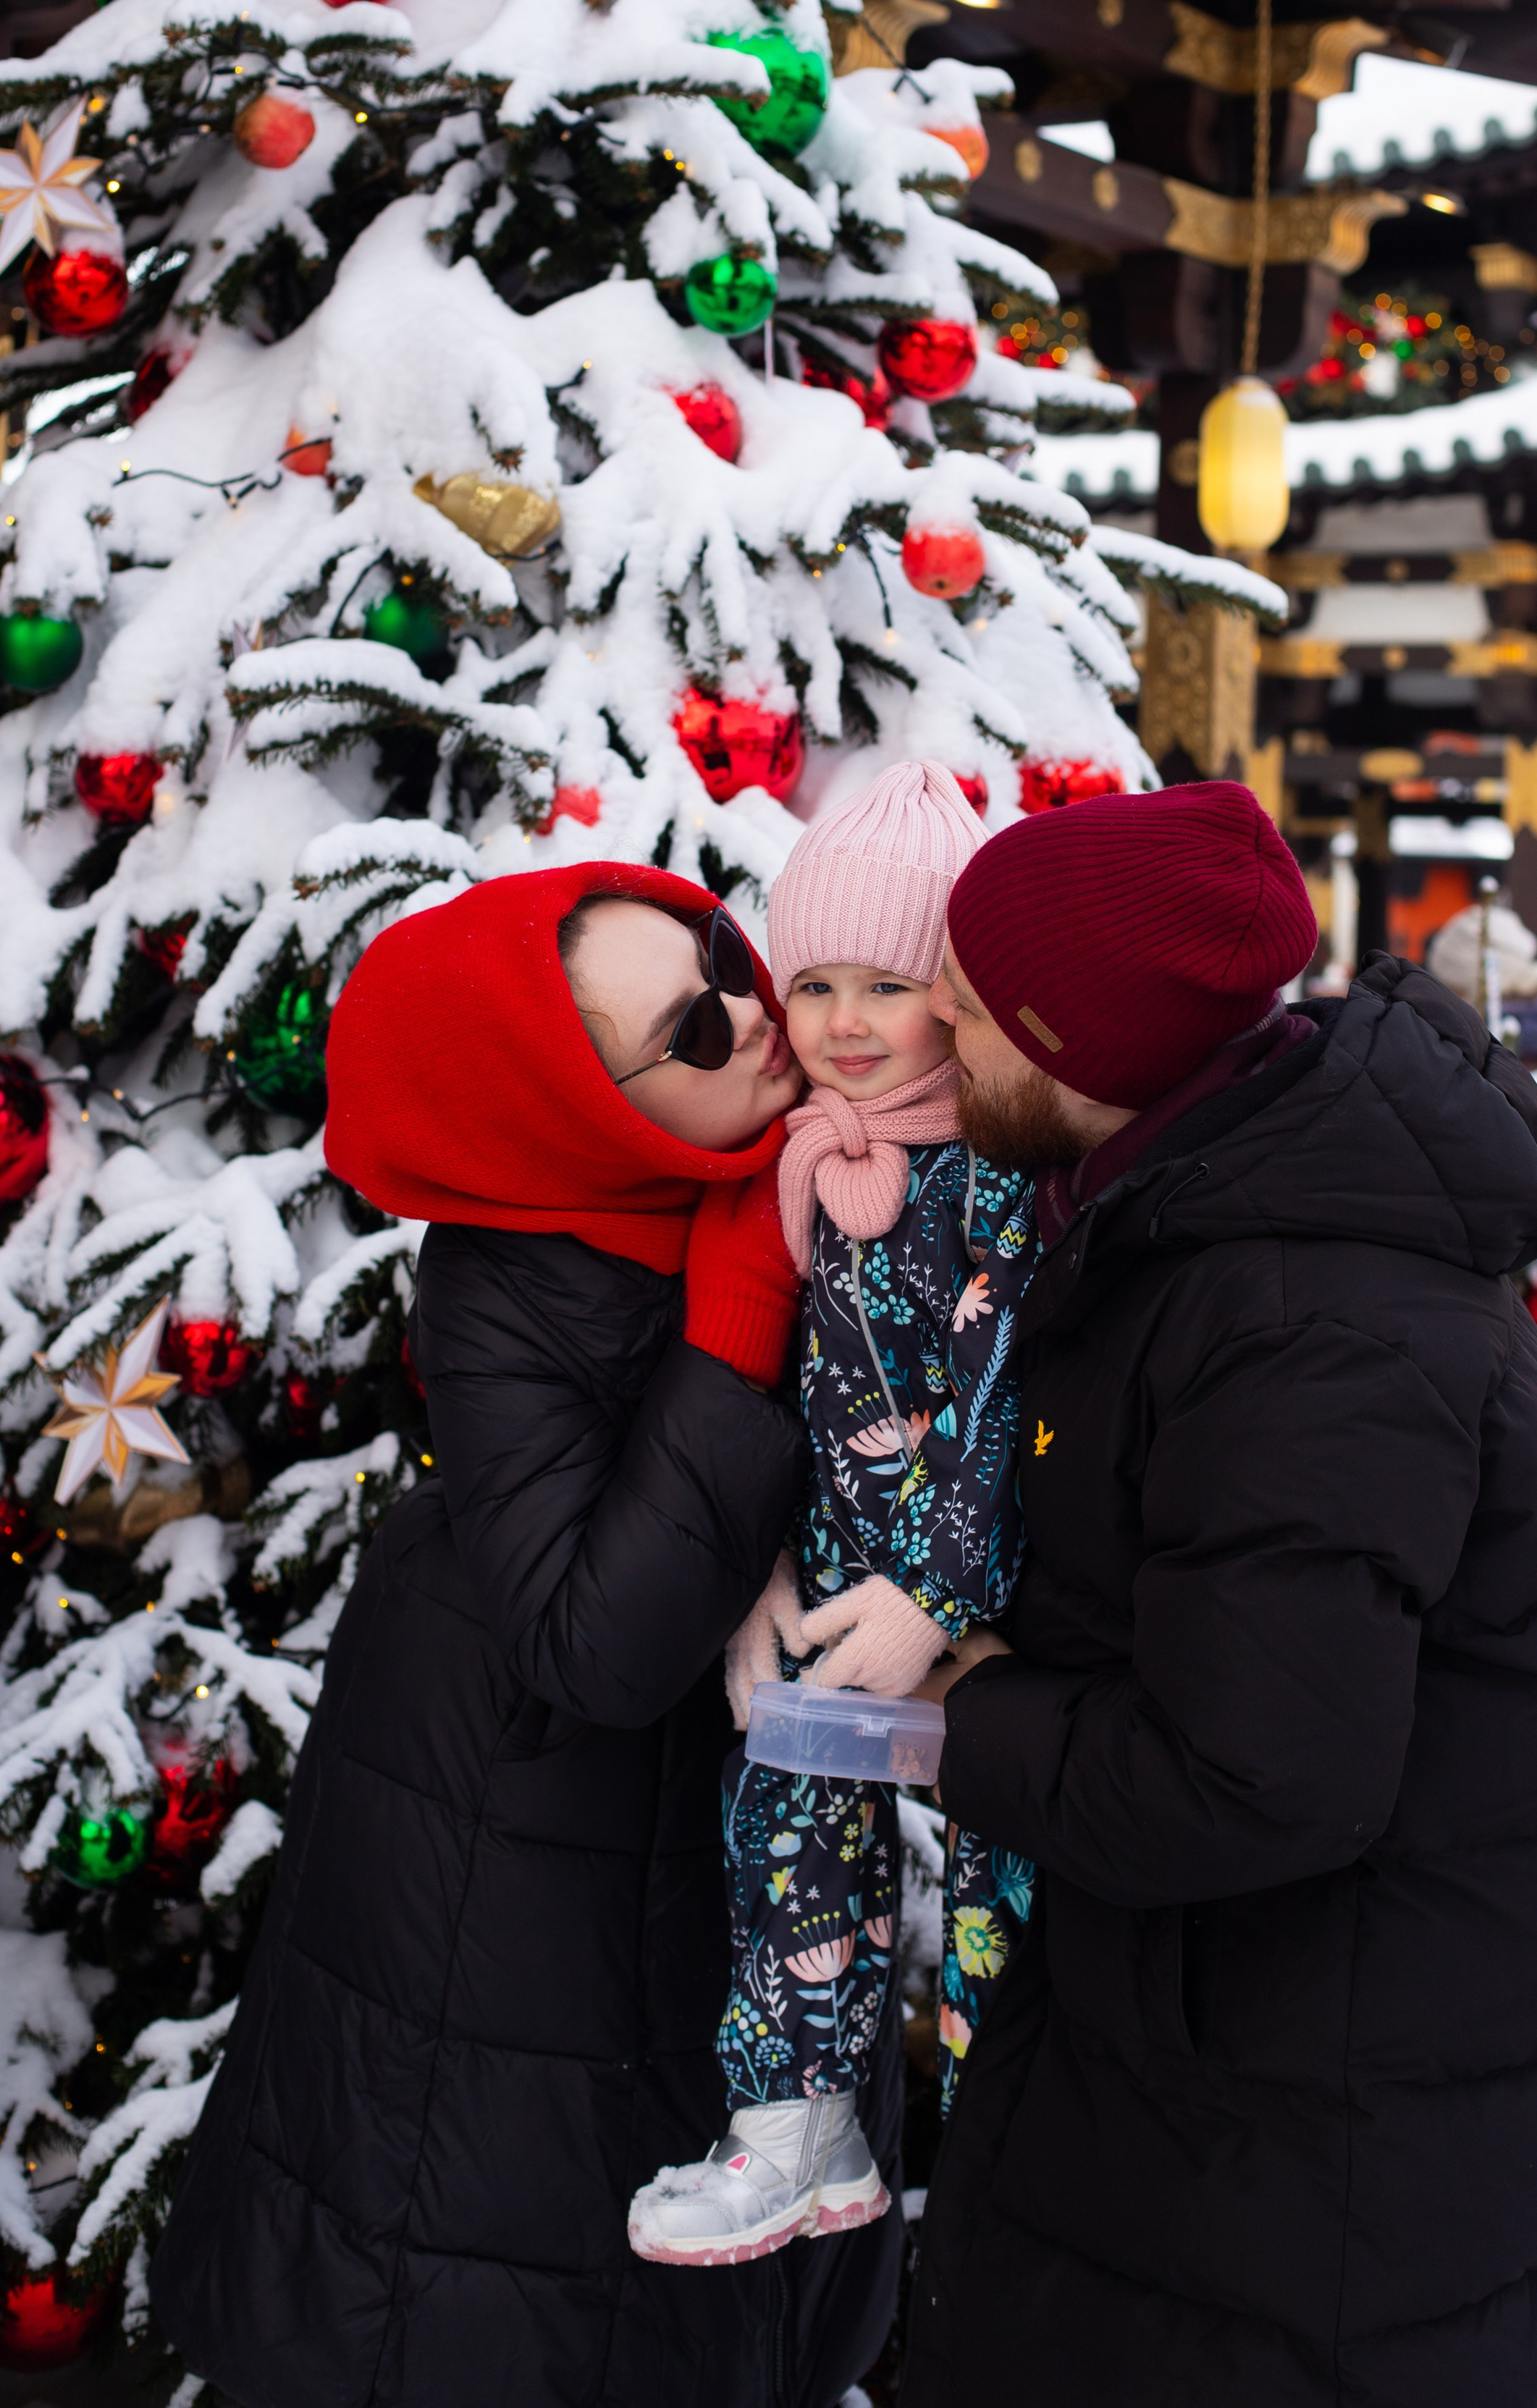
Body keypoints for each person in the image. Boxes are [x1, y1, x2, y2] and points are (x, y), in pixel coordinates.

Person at [901, 783, 1537, 2408]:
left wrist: (965, 1715)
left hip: (1315, 2173)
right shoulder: (1207, 1229)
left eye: (964, 997)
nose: (927, 1019)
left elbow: (1255, 1774)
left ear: (1080, 1038)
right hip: (1239, 2090)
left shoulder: (1307, 1325)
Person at [152, 861, 901, 2408]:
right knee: (512, 2279)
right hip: (517, 1851)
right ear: (568, 1111)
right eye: (694, 1031)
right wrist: (736, 1315)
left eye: (720, 959)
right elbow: (596, 1646)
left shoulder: (832, 1169)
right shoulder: (506, 1293)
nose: (756, 1018)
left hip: (704, 1850)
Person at [629, 765, 1037, 2270]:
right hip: (826, 1589)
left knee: (1007, 1867)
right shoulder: (795, 1157)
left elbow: (996, 1398)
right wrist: (760, 1569)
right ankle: (797, 2128)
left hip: (975, 1608)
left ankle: (1011, 2158)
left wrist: (937, 1592)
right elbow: (768, 1392)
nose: (845, 1020)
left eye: (889, 982)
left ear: (956, 998)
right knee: (785, 1836)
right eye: (812, 984)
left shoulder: (993, 1170)